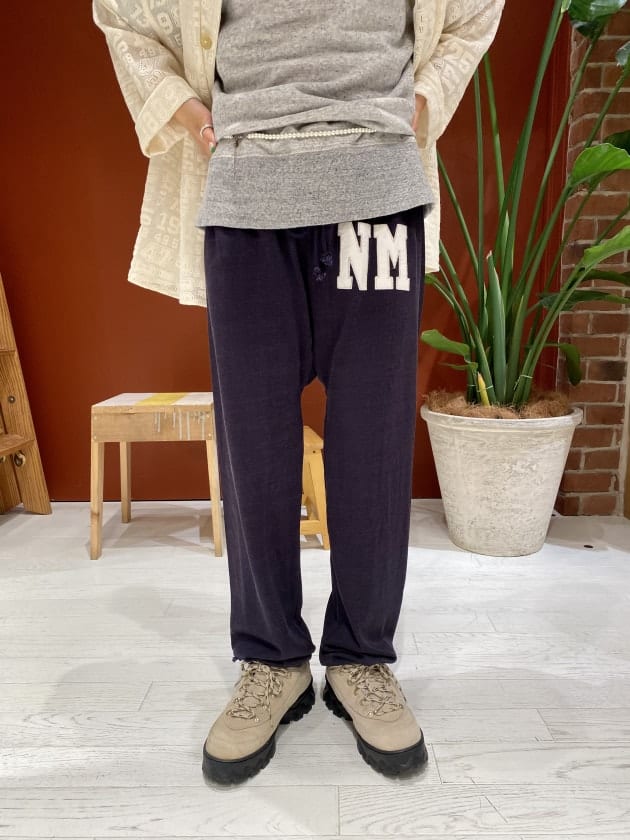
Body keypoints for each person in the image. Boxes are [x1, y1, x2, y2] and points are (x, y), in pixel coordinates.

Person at [93, 0, 505, 785]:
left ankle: (361, 659)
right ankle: (272, 660)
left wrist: (424, 100)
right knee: (254, 454)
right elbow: (121, 14)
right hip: (247, 194)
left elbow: (476, 11)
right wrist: (187, 113)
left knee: (373, 452)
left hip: (377, 191)